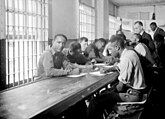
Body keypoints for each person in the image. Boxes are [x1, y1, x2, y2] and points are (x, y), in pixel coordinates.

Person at [87, 35, 146, 119]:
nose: (110, 52)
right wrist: (108, 69)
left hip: (133, 94)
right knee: (103, 95)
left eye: (110, 50)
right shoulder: (128, 53)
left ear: (117, 47)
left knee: (96, 101)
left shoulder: (127, 58)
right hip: (134, 90)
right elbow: (119, 66)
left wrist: (108, 92)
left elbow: (120, 87)